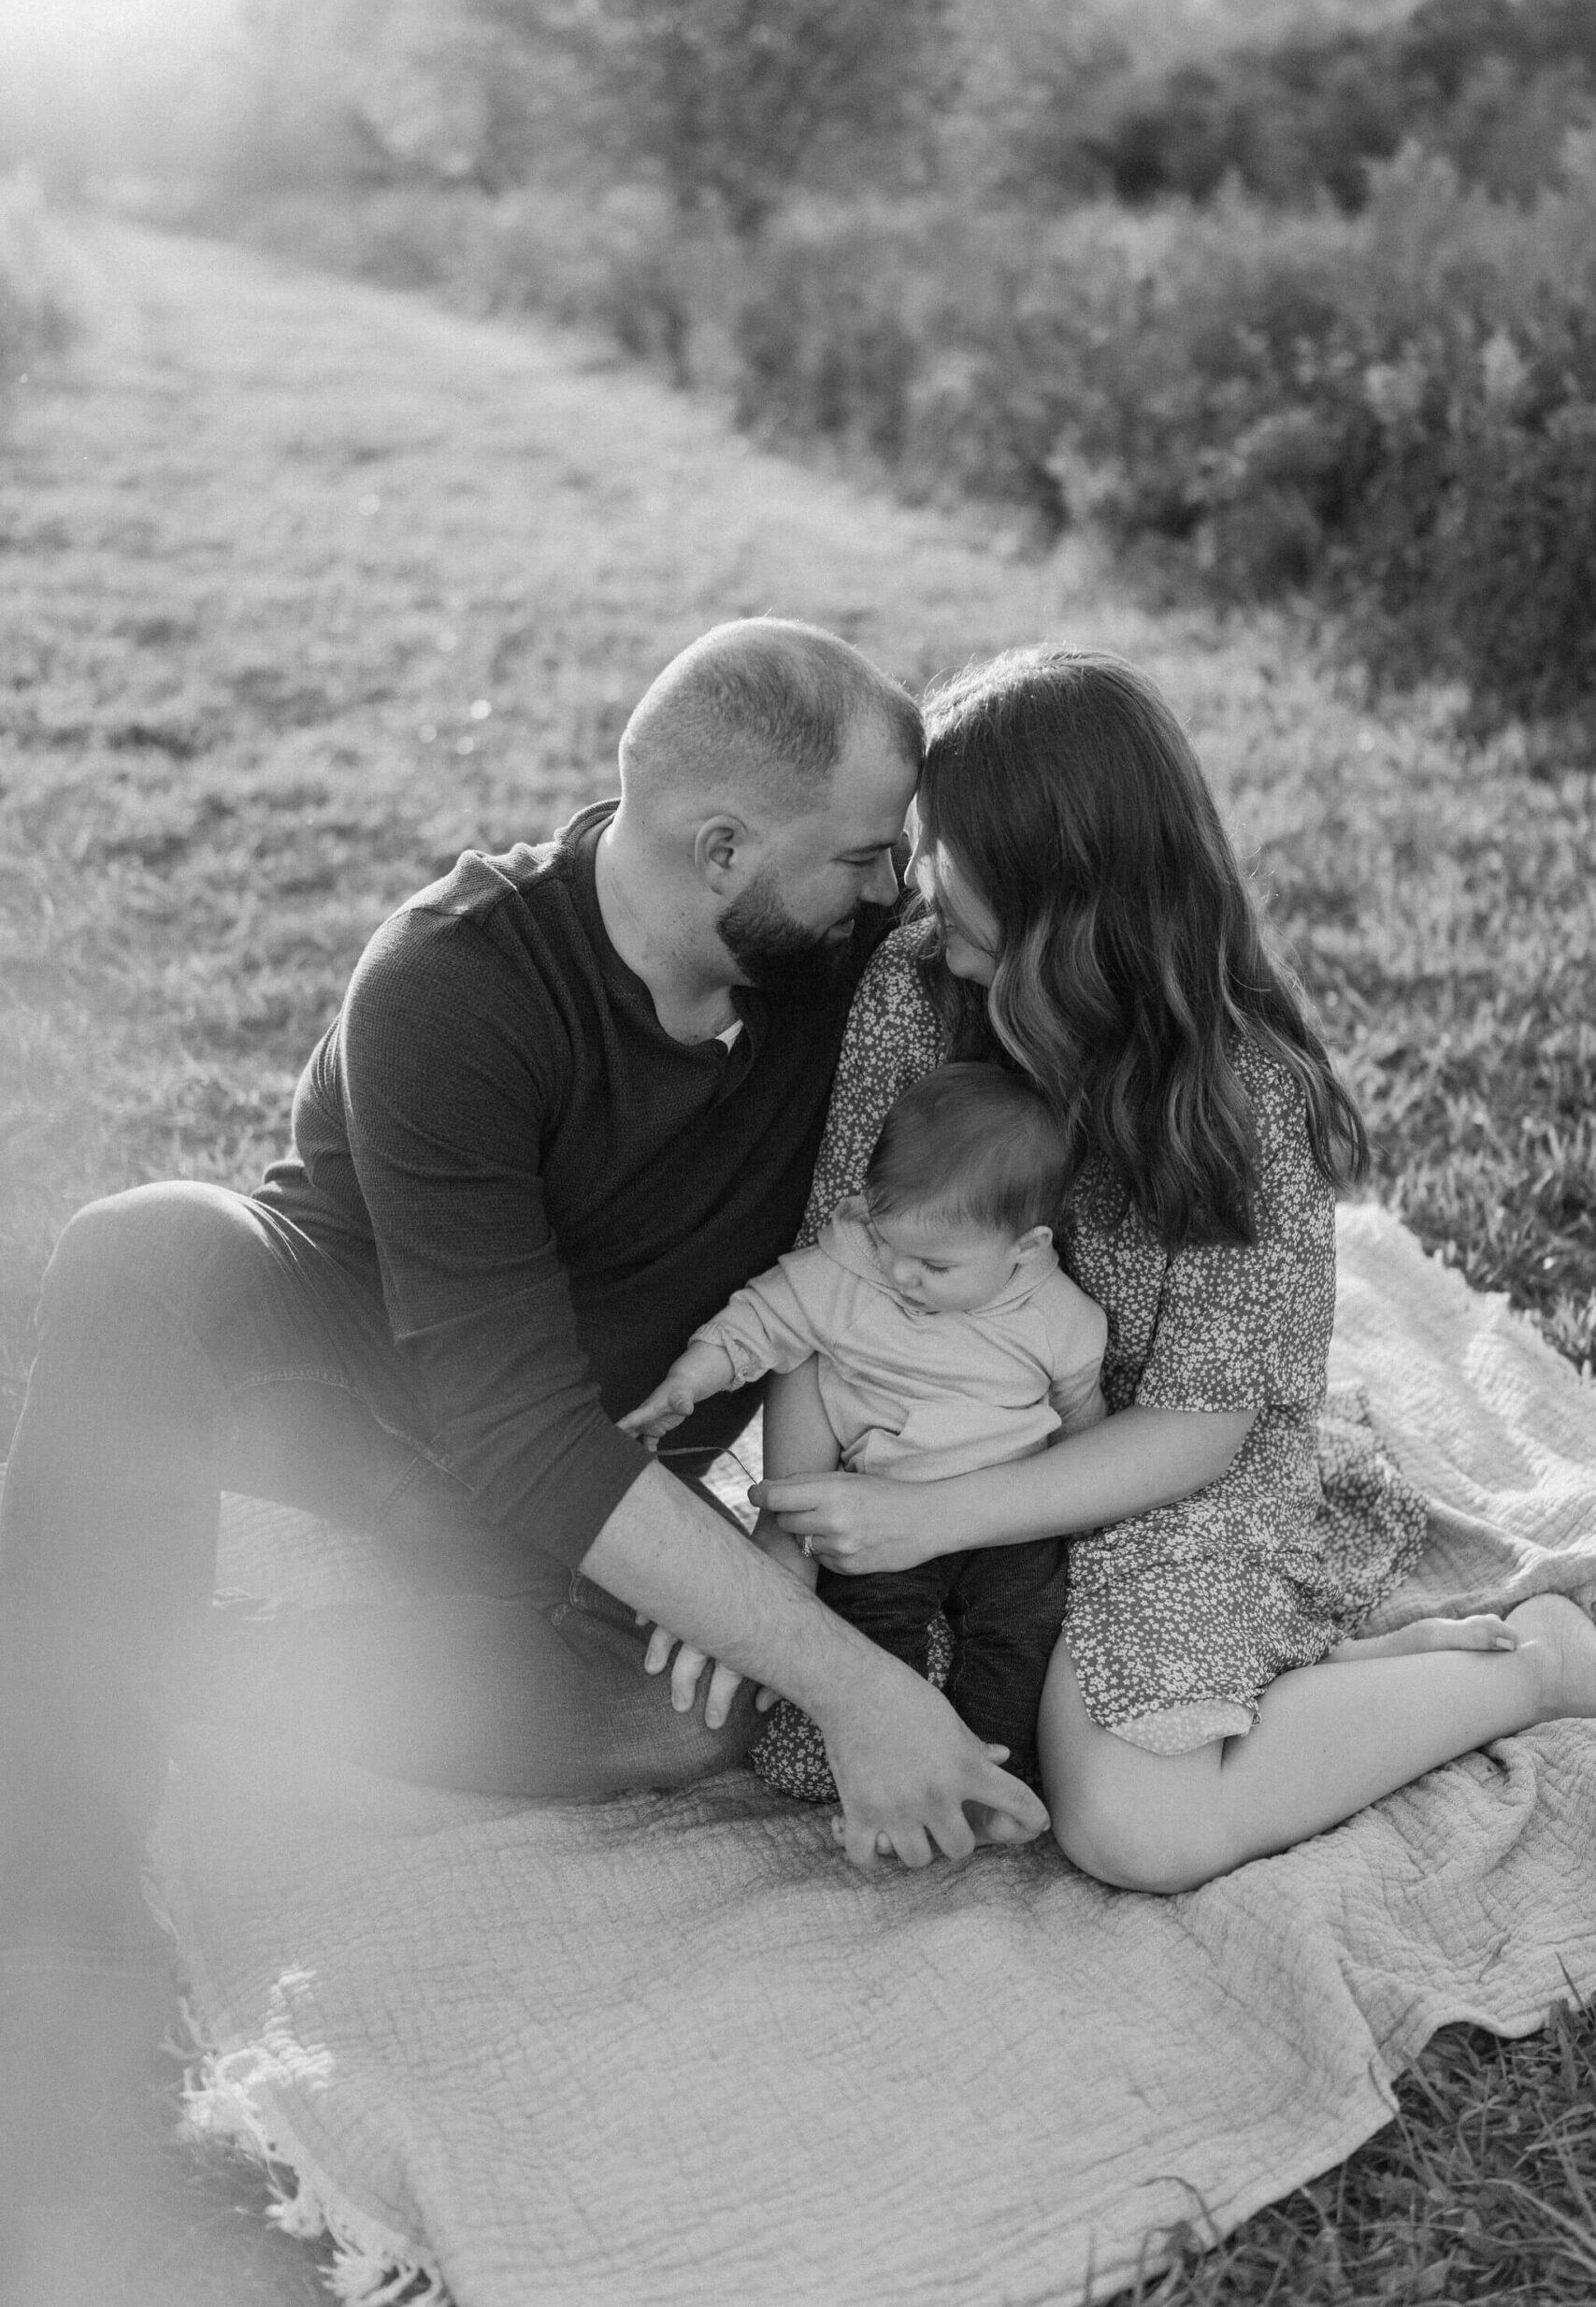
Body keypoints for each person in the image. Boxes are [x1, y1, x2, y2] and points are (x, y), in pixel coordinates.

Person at [0, 616, 1055, 2011]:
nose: (889, 899)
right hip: (351, 1395)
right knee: (147, 1248)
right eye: (863, 862)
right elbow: (517, 1428)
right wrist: (862, 1692)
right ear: (723, 852)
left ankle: (188, 1647)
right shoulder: (453, 982)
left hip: (589, 1471)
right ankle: (53, 1903)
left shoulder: (848, 981)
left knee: (692, 1716)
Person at [749, 645, 1596, 1888]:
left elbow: (1196, 1431)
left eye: (951, 854)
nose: (917, 879)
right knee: (848, 1735)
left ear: (1060, 892)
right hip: (953, 1422)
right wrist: (792, 1535)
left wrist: (925, 1517)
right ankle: (1274, 1684)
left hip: (1169, 1475)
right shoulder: (913, 991)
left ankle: (1533, 1665)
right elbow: (834, 1284)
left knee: (1130, 1827)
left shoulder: (1235, 1099)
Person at [621, 1060, 1106, 1783]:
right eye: (887, 1242)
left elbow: (1082, 1426)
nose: (902, 1275)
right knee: (869, 1633)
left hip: (1009, 1520)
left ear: (1024, 1249)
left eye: (933, 1266)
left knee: (1022, 1634)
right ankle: (901, 1761)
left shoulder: (1059, 1320)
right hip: (877, 1513)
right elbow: (761, 1317)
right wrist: (692, 1376)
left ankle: (992, 1768)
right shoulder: (847, 1271)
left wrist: (1081, 1513)